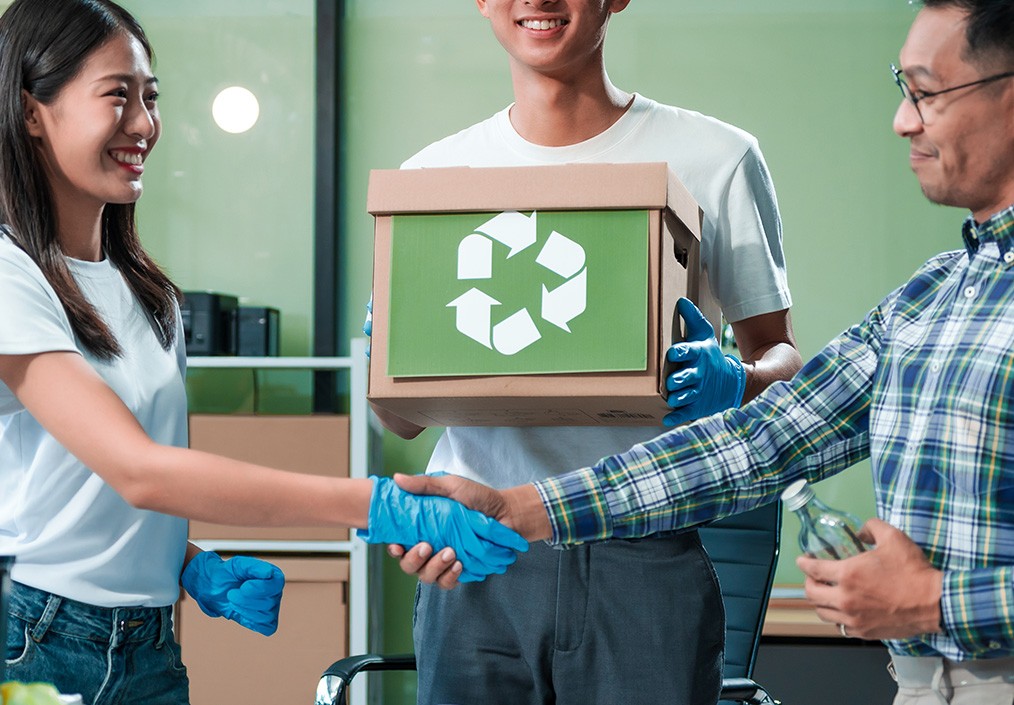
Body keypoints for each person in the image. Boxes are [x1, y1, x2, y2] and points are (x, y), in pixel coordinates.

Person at [398, 1, 1014, 702]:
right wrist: (520, 509)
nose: (904, 121)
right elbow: (762, 442)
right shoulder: (930, 299)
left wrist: (936, 604)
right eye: (903, 92)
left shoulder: (714, 156)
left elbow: (777, 372)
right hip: (923, 680)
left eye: (926, 93)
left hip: (652, 562)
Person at [0, 1, 525, 703]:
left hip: (149, 643)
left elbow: (77, 481)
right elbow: (138, 470)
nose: (143, 124)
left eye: (150, 97)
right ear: (32, 110)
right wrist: (379, 505)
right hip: (36, 639)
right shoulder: (11, 278)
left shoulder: (146, 292)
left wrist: (185, 562)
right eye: (117, 95)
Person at [370, 1, 803, 703]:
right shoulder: (433, 178)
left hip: (643, 556)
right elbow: (404, 423)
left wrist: (740, 380)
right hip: (478, 556)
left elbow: (783, 356)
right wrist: (385, 360)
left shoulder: (715, 158)